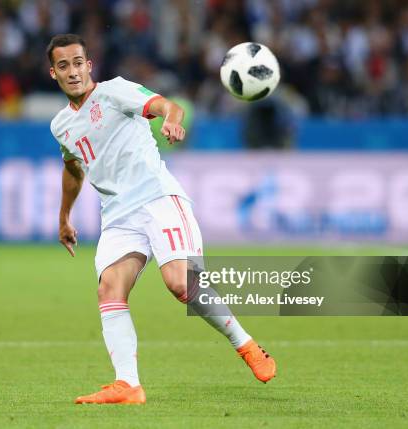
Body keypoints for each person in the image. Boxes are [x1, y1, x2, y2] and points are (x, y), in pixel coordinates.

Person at [48, 34, 276, 405]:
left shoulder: (115, 92)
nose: (72, 71)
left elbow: (168, 106)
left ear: (89, 65)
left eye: (78, 63)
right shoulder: (61, 125)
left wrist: (171, 121)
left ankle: (246, 344)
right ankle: (128, 385)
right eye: (63, 66)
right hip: (118, 216)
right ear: (53, 73)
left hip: (158, 199)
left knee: (180, 284)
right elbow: (73, 169)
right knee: (109, 289)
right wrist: (63, 218)